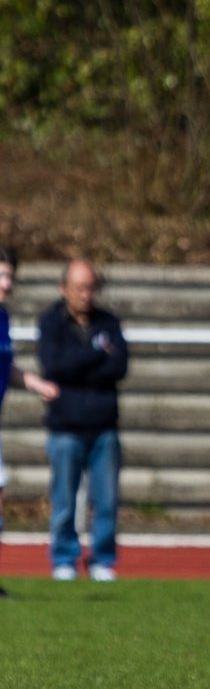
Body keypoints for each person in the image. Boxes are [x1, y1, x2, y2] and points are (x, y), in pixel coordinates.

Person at [37, 259, 128, 582]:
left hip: (104, 425)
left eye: (90, 288)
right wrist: (95, 354)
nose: (85, 295)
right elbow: (54, 366)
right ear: (64, 288)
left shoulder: (108, 322)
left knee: (106, 500)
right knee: (64, 499)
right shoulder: (51, 322)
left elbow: (119, 367)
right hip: (65, 427)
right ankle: (64, 558)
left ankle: (102, 560)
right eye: (79, 288)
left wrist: (80, 364)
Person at [0, 246, 60, 598]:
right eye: (2, 275)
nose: (7, 284)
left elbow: (7, 367)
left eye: (10, 276)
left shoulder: (3, 318)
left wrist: (33, 382)